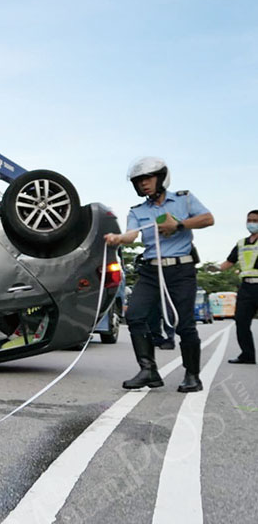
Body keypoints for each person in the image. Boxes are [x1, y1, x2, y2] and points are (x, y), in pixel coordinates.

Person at [105, 157, 214, 392]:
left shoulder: (183, 199)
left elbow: (208, 219)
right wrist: (116, 239)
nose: (143, 184)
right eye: (139, 181)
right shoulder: (138, 211)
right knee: (134, 315)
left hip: (181, 269)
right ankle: (148, 371)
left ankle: (192, 375)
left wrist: (179, 225)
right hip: (151, 271)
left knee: (184, 324)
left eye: (148, 178)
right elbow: (130, 236)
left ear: (161, 178)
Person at [213, 210, 258, 365]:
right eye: (249, 220)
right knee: (241, 321)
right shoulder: (241, 243)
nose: (251, 223)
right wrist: (216, 269)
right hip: (246, 287)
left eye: (255, 220)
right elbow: (229, 262)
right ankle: (247, 355)